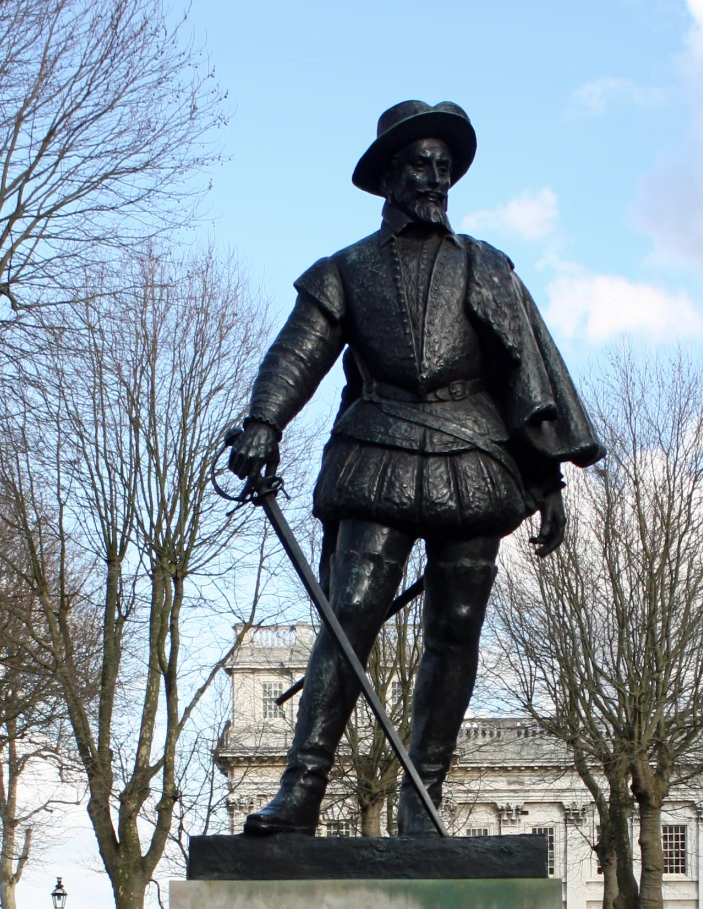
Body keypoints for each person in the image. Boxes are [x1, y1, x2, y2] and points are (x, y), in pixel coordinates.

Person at [227, 98, 601, 835]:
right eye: (419, 165)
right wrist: (264, 424)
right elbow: (298, 353)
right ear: (389, 178)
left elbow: (522, 370)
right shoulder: (346, 270)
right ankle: (301, 791)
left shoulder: (487, 267)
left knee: (456, 627)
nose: (434, 178)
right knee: (349, 618)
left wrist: (549, 476)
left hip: (474, 455)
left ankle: (421, 800)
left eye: (443, 166)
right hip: (378, 449)